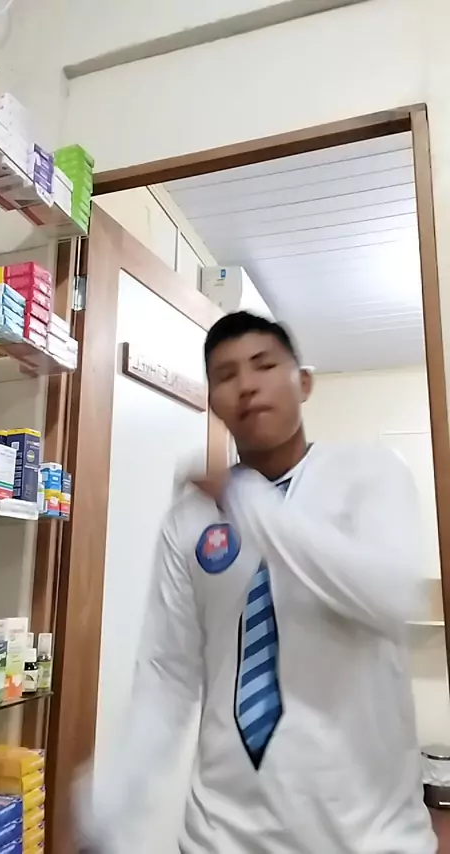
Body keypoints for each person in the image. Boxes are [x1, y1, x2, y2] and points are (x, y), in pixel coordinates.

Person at [81, 311, 436, 854]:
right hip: (220, 836)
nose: (246, 384)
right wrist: (109, 807)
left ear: (304, 382)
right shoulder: (189, 519)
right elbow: (167, 676)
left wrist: (245, 499)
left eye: (264, 365)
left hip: (369, 837)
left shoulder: (369, 475)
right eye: (226, 375)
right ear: (213, 402)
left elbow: (386, 593)